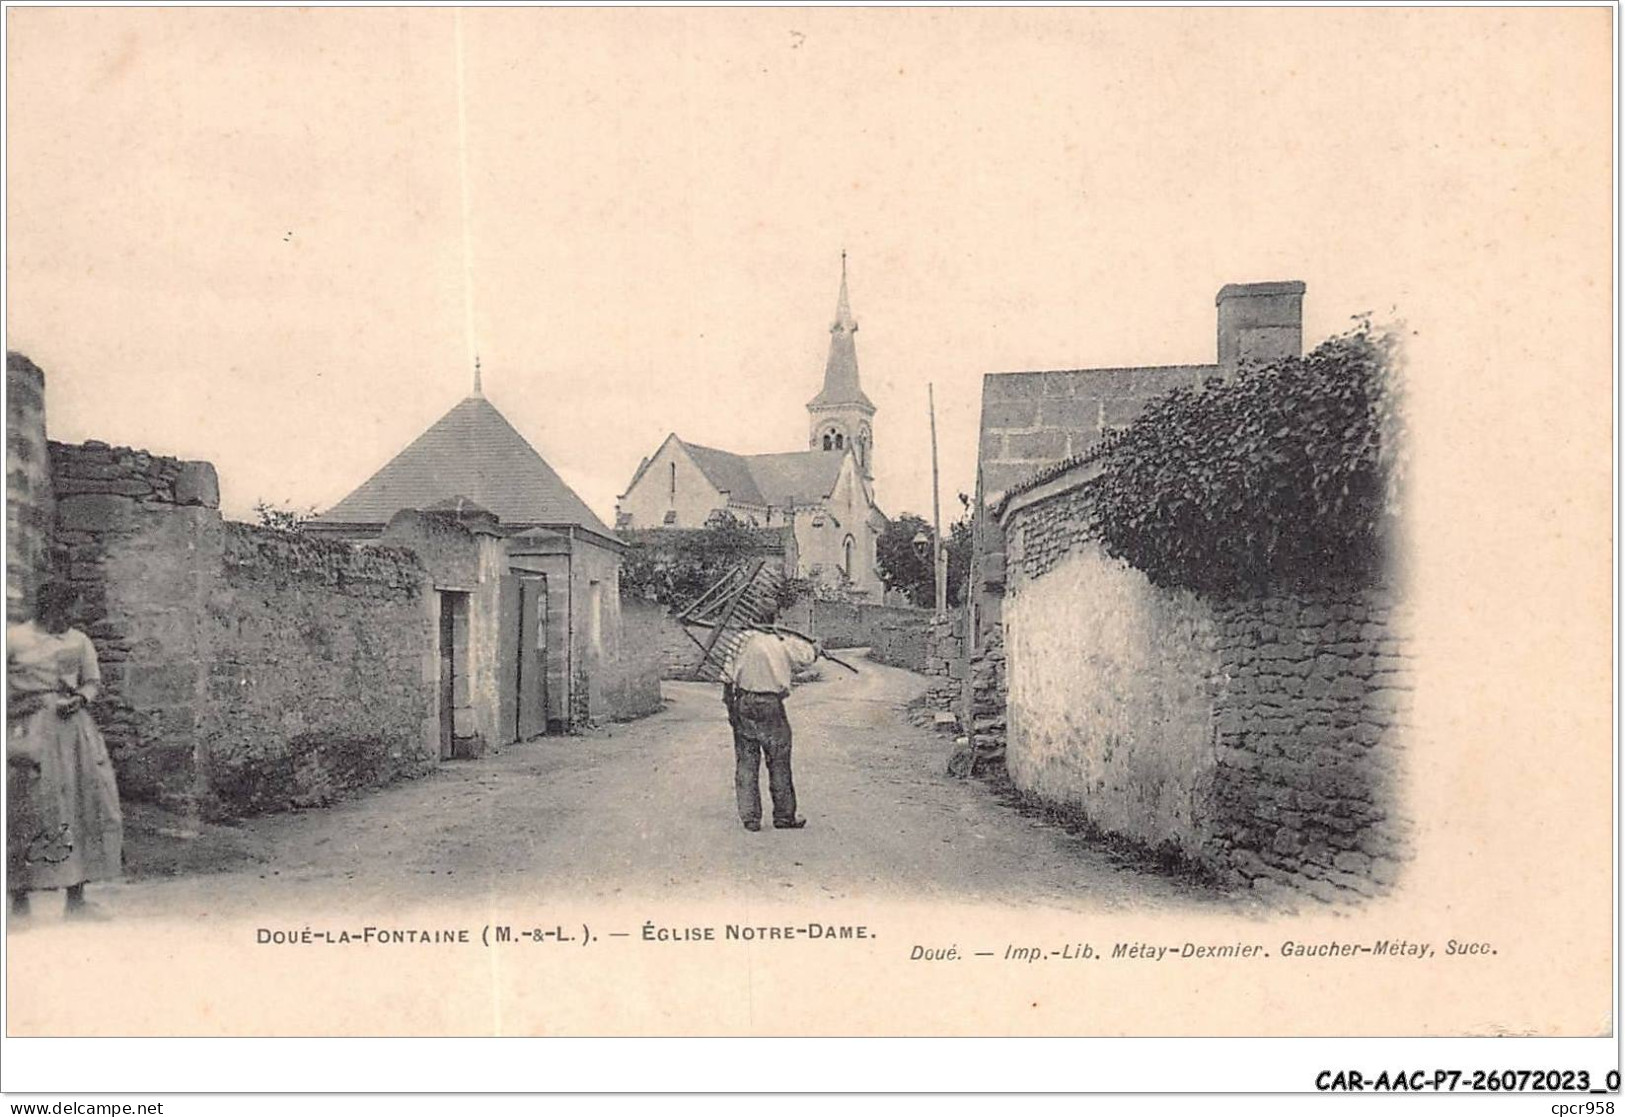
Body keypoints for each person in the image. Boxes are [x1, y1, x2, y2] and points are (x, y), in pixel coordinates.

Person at [7, 580, 123, 920]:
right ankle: (19, 899)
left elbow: (91, 680)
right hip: (29, 731)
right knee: (28, 807)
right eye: (71, 609)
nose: (75, 616)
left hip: (74, 735)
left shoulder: (78, 641)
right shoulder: (14, 639)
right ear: (52, 608)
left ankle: (76, 899)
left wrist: (80, 698)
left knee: (83, 804)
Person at [721, 625, 821, 832]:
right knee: (779, 760)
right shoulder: (782, 642)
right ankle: (784, 816)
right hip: (770, 704)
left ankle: (750, 818)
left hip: (744, 702)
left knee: (746, 761)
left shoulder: (740, 640)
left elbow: (727, 680)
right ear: (774, 619)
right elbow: (806, 657)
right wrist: (816, 648)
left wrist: (732, 710)